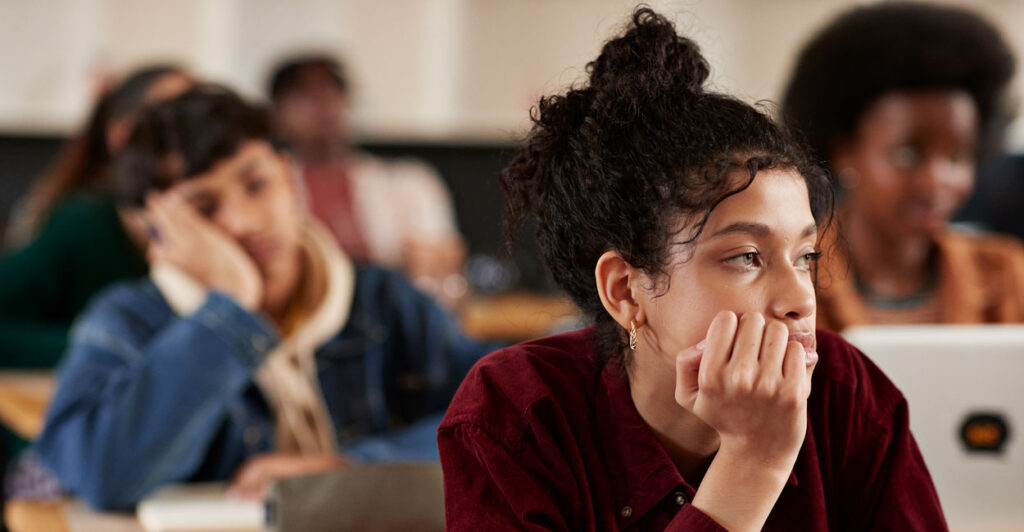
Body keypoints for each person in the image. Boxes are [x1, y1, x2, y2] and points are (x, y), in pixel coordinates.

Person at [438, 8, 947, 531]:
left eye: (805, 257)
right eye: (746, 257)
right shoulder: (514, 415)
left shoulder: (847, 394)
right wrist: (754, 462)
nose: (801, 300)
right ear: (626, 291)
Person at [33, 85, 499, 511]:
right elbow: (101, 475)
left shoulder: (381, 299)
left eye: (257, 185)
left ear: (289, 178)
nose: (243, 222)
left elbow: (498, 413)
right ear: (158, 231)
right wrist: (231, 311)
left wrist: (352, 466)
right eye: (203, 209)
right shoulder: (128, 319)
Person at [781, 2, 1024, 330]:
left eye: (956, 157)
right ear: (844, 152)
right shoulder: (786, 275)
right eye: (908, 154)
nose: (936, 182)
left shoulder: (1008, 275)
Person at [0, 65, 192, 368]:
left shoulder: (220, 230)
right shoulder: (84, 224)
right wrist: (102, 346)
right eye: (175, 119)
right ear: (121, 134)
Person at [267, 55, 468, 308]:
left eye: (333, 90)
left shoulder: (409, 183)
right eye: (304, 94)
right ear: (277, 114)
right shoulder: (264, 189)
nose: (323, 104)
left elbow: (444, 277)